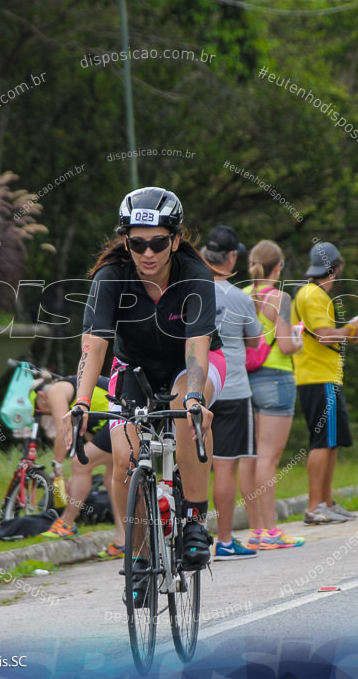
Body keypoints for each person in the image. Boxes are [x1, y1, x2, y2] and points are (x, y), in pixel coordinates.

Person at [73, 187, 227, 603]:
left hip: (189, 364)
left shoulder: (195, 274)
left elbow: (197, 345)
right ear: (126, 242)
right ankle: (139, 555)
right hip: (134, 369)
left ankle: (194, 521)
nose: (147, 253)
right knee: (126, 455)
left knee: (185, 410)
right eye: (137, 243)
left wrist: (195, 397)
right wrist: (82, 401)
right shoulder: (111, 278)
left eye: (158, 242)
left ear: (175, 240)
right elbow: (95, 346)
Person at [291, 242, 358, 525]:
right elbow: (324, 335)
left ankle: (326, 502)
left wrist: (351, 333)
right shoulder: (313, 295)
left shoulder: (312, 294)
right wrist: (350, 328)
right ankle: (315, 506)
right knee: (322, 442)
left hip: (324, 376)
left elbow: (322, 335)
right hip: (318, 377)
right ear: (335, 268)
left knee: (331, 442)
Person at [200, 226, 263, 560]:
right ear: (232, 257)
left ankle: (190, 538)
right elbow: (255, 342)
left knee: (191, 466)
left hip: (196, 387)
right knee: (225, 468)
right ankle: (223, 541)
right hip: (233, 388)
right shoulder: (239, 297)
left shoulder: (188, 290)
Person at [241, 240, 307, 547]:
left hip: (245, 381)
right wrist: (298, 339)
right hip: (276, 379)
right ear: (277, 268)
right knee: (269, 457)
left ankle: (255, 530)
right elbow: (284, 345)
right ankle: (271, 531)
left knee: (249, 457)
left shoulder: (241, 295)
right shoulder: (280, 298)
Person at [34, 376, 125, 558]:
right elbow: (95, 438)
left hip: (121, 411)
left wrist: (57, 468)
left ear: (42, 396)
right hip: (117, 413)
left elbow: (62, 430)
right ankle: (123, 541)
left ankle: (66, 524)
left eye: (39, 409)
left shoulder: (55, 390)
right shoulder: (75, 399)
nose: (42, 412)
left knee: (80, 463)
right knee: (111, 479)